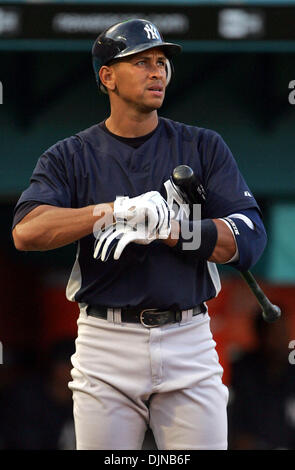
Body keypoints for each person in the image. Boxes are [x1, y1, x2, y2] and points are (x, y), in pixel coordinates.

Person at [12, 19, 267, 450]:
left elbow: (249, 238)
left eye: (162, 62)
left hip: (189, 338)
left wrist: (172, 228)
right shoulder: (70, 155)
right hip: (104, 341)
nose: (157, 71)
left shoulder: (203, 146)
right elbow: (27, 232)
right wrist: (111, 212)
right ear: (106, 76)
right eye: (142, 61)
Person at [228, 310, 295, 450]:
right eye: (275, 334)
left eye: (284, 332)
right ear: (261, 336)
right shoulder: (244, 369)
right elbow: (240, 436)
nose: (282, 339)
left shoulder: (292, 370)